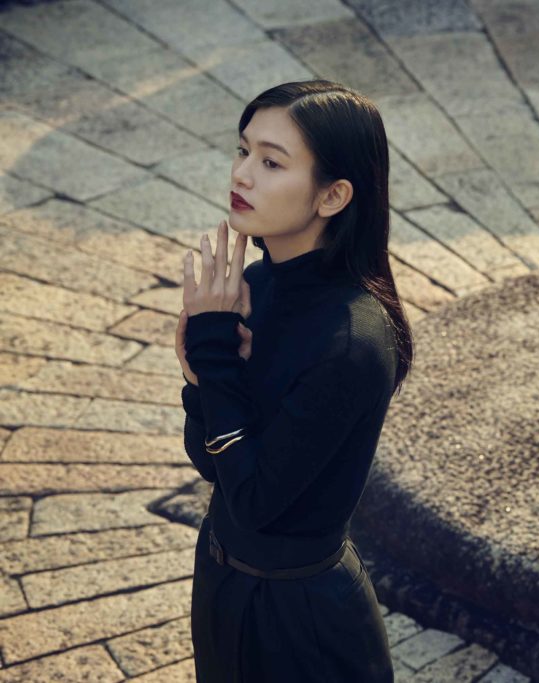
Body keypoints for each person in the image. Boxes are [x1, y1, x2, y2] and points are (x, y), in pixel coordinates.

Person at [173, 80, 413, 682]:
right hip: (222, 582)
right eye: (243, 150)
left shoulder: (352, 341)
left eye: (271, 162)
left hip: (302, 621)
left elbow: (256, 502)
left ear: (333, 195)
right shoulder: (257, 286)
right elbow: (214, 467)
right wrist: (201, 378)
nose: (242, 174)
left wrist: (216, 365)